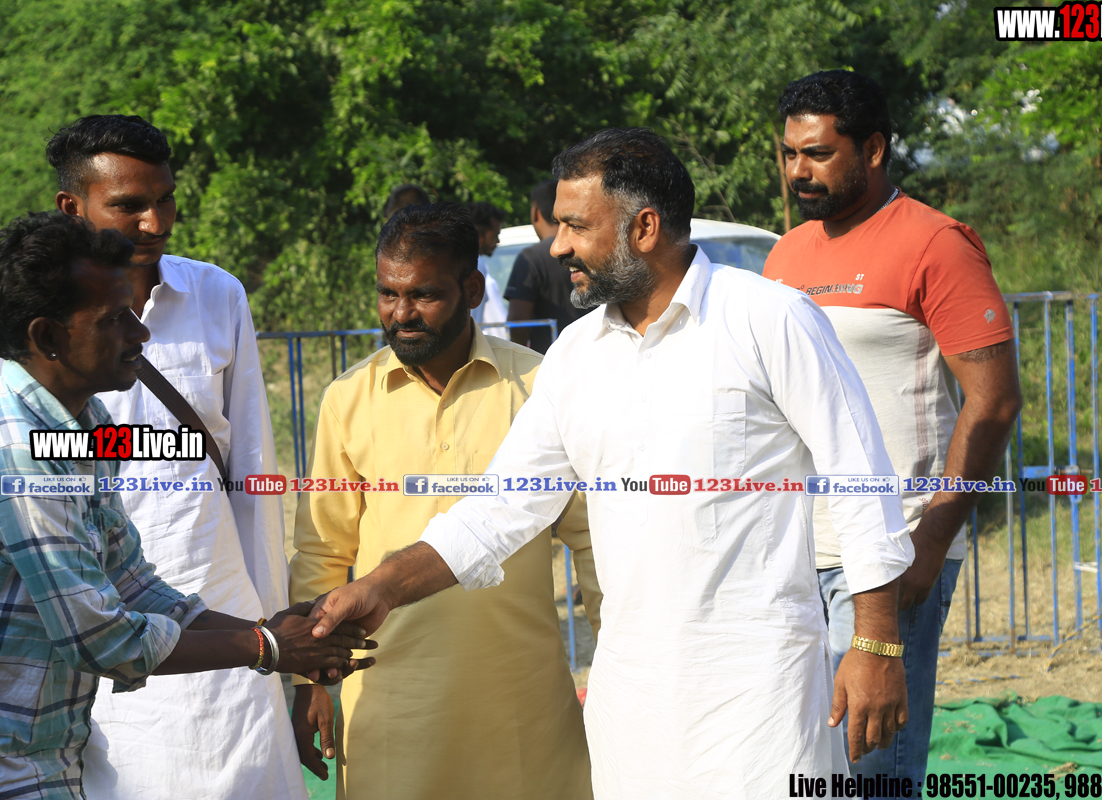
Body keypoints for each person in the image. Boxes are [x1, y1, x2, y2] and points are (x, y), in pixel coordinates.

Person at [308, 128, 917, 797]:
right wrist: (383, 586)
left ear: (644, 228)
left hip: (756, 699)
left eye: (575, 225)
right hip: (631, 707)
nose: (556, 245)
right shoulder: (577, 357)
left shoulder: (768, 318)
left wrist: (876, 643)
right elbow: (498, 510)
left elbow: (860, 477)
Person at [0, 212, 374, 800]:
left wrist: (273, 632)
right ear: (47, 337)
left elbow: (130, 581)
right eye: (115, 319)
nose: (140, 334)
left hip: (48, 753)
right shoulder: (18, 447)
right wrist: (268, 647)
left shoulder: (84, 422)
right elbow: (99, 638)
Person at [763, 70, 1023, 785]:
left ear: (873, 148)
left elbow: (995, 401)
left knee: (871, 769)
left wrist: (931, 540)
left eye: (818, 153)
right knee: (807, 765)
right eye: (790, 153)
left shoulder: (936, 243)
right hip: (796, 550)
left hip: (889, 548)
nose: (798, 171)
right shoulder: (787, 254)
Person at [288, 203, 600, 799]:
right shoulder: (348, 399)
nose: (401, 314)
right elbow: (322, 550)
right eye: (387, 293)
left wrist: (619, 664)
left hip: (523, 706)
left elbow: (591, 541)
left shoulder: (539, 387)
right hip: (390, 705)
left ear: (473, 290)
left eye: (423, 294)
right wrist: (311, 682)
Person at [44, 114, 306, 799]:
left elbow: (253, 472)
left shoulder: (217, 295)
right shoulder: (32, 325)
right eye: (129, 205)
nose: (154, 223)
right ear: (72, 208)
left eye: (165, 200)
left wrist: (273, 628)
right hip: (104, 636)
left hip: (226, 625)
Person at [505, 180, 586, 353]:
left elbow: (518, 324)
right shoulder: (589, 249)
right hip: (594, 356)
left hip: (545, 360)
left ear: (535, 211)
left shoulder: (531, 258)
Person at [466, 200, 510, 338]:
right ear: (480, 235)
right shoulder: (476, 264)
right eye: (495, 235)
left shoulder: (466, 261)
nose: (497, 241)